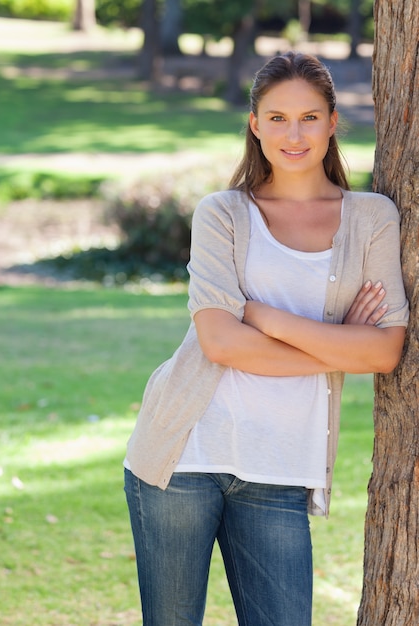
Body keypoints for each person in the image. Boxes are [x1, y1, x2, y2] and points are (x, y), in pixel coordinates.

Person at [124, 51, 409, 626]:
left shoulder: (371, 217)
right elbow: (222, 345)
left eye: (309, 117)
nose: (293, 133)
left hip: (281, 467)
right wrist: (337, 342)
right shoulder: (223, 214)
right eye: (277, 118)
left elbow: (383, 351)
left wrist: (262, 315)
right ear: (254, 125)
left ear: (333, 121)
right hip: (183, 453)